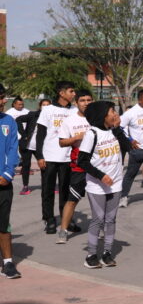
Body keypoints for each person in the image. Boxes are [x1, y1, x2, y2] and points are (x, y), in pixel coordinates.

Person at [77, 101, 134, 268]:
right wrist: (101, 176)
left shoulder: (114, 132)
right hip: (97, 186)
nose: (115, 114)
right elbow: (82, 161)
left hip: (115, 184)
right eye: (112, 111)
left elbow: (128, 148)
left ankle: (107, 253)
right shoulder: (92, 134)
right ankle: (91, 254)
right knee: (98, 219)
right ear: (102, 115)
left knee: (111, 219)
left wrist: (117, 129)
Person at [36, 80, 76, 233]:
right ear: (61, 93)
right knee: (48, 190)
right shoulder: (48, 110)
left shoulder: (74, 111)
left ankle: (67, 220)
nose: (73, 94)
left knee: (66, 191)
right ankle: (49, 219)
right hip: (49, 157)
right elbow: (40, 134)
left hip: (67, 158)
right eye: (71, 91)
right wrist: (39, 155)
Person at [56, 90, 94, 243]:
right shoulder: (69, 121)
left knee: (99, 200)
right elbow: (61, 142)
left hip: (98, 165)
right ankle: (63, 231)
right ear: (76, 103)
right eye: (82, 100)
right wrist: (77, 137)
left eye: (89, 100)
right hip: (78, 166)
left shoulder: (99, 118)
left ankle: (101, 228)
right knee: (72, 200)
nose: (86, 103)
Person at [0, 85, 21, 279]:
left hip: (3, 183)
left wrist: (7, 174)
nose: (3, 101)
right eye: (0, 98)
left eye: (3, 97)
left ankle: (8, 263)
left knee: (3, 224)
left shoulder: (9, 121)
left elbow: (12, 149)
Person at [16, 98, 50, 196]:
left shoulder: (51, 117)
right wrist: (23, 133)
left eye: (48, 105)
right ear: (40, 106)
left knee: (44, 166)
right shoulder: (33, 115)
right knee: (26, 166)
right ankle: (25, 186)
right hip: (28, 145)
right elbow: (18, 119)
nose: (46, 107)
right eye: (44, 105)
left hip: (41, 146)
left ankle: (46, 186)